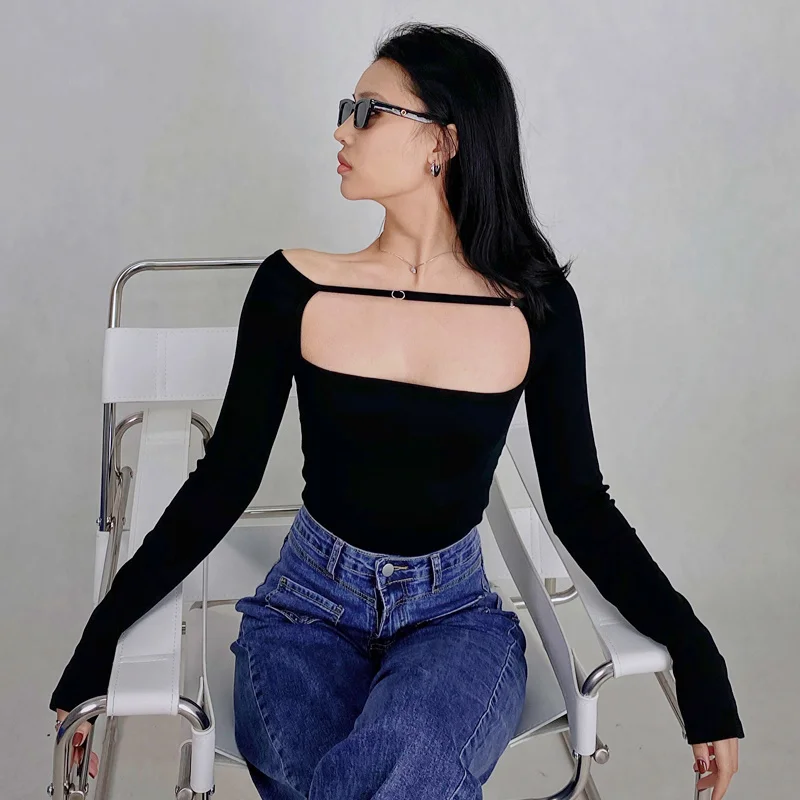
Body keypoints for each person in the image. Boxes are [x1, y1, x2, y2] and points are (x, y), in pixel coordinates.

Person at [51, 22, 743, 800]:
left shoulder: (536, 309)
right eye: (345, 110)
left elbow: (581, 507)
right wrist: (97, 643)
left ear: (441, 142)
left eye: (368, 112)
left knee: (388, 765)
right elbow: (223, 483)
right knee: (395, 778)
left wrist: (698, 655)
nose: (341, 130)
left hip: (455, 620)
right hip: (302, 616)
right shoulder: (294, 287)